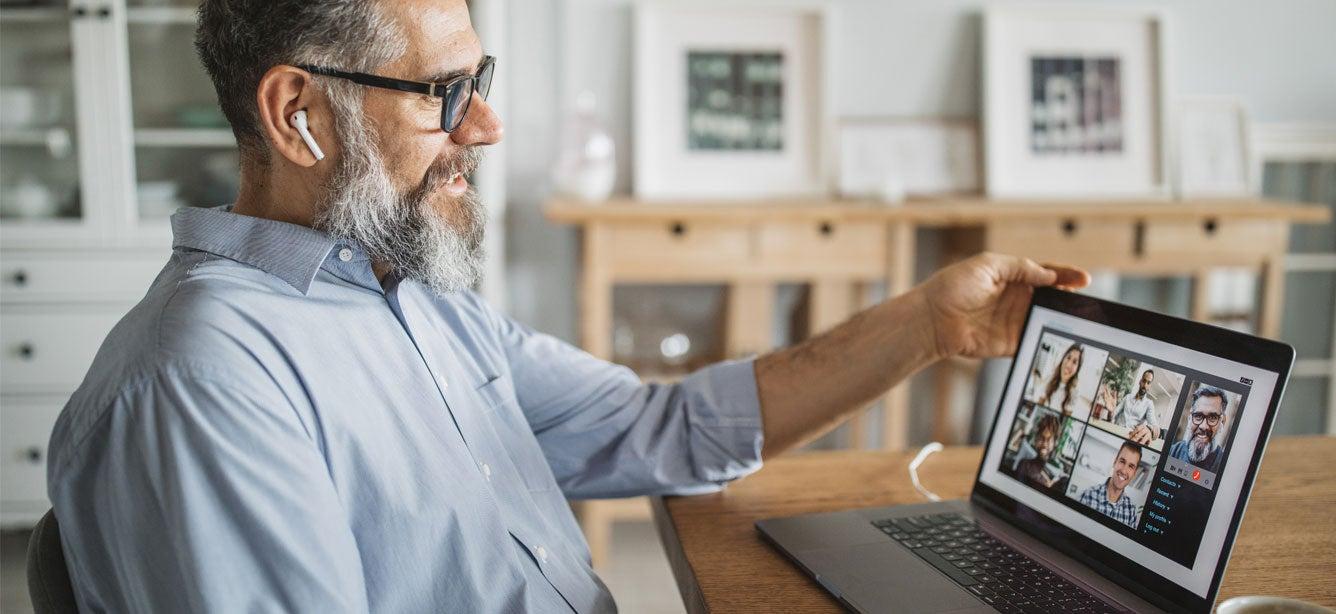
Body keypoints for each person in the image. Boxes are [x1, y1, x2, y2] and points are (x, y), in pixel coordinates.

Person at [43, 1, 1089, 611]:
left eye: (479, 79)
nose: (487, 125)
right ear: (298, 114)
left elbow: (660, 426)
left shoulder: (403, 294)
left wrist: (920, 323)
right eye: (444, 92)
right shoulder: (206, 380)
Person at [1077, 440, 1145, 528]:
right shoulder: (1088, 495)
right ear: (1115, 462)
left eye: (1131, 466)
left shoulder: (1131, 512)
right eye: (1122, 461)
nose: (1124, 470)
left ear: (1134, 473)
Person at [1168, 385, 1230, 473]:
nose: (1203, 426)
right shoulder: (1172, 452)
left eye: (1212, 417)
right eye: (1198, 416)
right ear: (1190, 418)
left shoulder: (1225, 467)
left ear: (1222, 422)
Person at [1105, 368, 1161, 445]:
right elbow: (1112, 415)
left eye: (1148, 383)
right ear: (1140, 381)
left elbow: (1155, 426)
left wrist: (1151, 430)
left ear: (1150, 386)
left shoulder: (1149, 404)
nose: (1145, 385)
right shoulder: (1127, 397)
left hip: (1129, 439)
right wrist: (1110, 412)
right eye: (1144, 381)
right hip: (1116, 431)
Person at [1014, 414, 1064, 490]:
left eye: (1049, 439)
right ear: (1036, 439)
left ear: (1055, 443)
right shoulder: (1025, 464)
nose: (1044, 443)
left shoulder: (1057, 473)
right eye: (1041, 437)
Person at [1037, 343, 1083, 414]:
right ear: (1063, 359)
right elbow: (1038, 408)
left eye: (1074, 362)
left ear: (1077, 369)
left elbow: (1064, 422)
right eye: (1068, 358)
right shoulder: (1049, 379)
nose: (1069, 365)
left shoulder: (1074, 394)